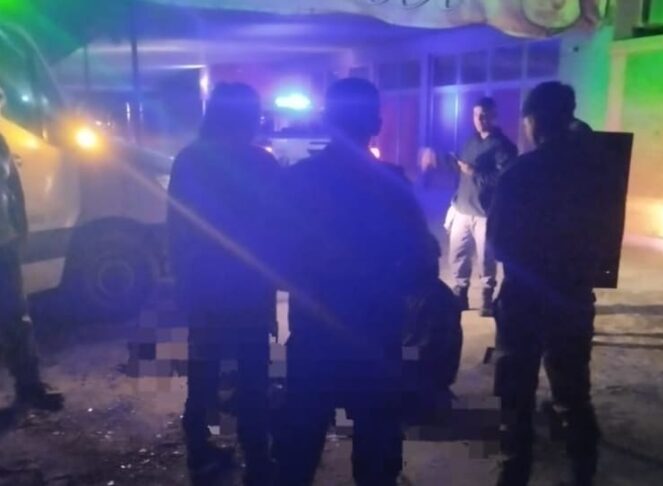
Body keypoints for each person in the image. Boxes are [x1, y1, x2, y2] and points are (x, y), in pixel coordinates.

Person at [272, 78, 437, 486]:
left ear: (325, 123)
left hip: (314, 332)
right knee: (377, 448)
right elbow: (423, 263)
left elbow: (275, 256)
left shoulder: (298, 180)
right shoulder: (392, 183)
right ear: (376, 124)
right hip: (376, 333)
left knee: (298, 447)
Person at [488, 81, 607, 486]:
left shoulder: (521, 172)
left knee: (516, 396)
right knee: (573, 395)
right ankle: (582, 475)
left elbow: (498, 244)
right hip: (572, 296)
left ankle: (514, 474)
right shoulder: (594, 174)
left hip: (524, 299)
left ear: (534, 121)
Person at [168, 83, 279, 485]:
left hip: (204, 286)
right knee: (252, 376)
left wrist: (182, 282)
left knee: (204, 371)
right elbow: (277, 230)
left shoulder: (189, 160)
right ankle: (257, 458)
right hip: (248, 287)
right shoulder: (261, 163)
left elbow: (177, 228)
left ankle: (200, 452)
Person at [0, 129, 64, 413]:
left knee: (15, 316)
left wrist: (20, 226)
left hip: (4, 243)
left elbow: (12, 186)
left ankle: (29, 387)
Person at [446, 97, 517, 316]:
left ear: (494, 116)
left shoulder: (503, 146)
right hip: (462, 208)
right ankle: (461, 293)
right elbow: (462, 170)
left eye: (484, 115)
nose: (480, 119)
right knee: (458, 254)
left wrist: (475, 173)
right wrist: (448, 163)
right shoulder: (470, 141)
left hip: (486, 212)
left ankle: (487, 297)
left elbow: (504, 178)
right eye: (476, 115)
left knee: (486, 257)